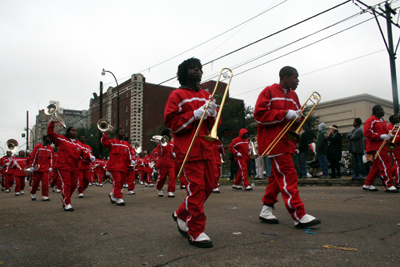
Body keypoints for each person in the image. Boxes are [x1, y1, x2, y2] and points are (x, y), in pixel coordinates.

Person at [254, 66, 321, 229]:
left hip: (286, 142)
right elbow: (259, 116)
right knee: (288, 175)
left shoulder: (294, 95)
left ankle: (266, 209)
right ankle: (299, 215)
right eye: (295, 77)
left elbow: (298, 118)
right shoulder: (268, 91)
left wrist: (298, 117)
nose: (298, 81)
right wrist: (284, 114)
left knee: (277, 179)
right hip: (274, 142)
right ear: (285, 78)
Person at [165, 57, 218, 248]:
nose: (196, 71)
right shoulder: (176, 95)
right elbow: (172, 123)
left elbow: (215, 125)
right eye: (191, 68)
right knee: (196, 190)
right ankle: (195, 231)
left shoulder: (207, 94)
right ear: (183, 73)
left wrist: (213, 114)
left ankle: (180, 213)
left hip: (207, 148)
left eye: (198, 68)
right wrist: (195, 115)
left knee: (209, 186)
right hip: (189, 149)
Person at [48, 121, 95, 211]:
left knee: (73, 185)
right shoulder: (62, 139)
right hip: (63, 166)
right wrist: (52, 123)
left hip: (74, 167)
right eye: (72, 130)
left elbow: (85, 153)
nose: (75, 132)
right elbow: (51, 134)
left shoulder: (79, 144)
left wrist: (90, 157)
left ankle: (66, 198)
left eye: (75, 131)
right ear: (68, 132)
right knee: (67, 184)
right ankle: (67, 202)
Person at [363, 105, 398, 193]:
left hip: (382, 146)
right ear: (376, 111)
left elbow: (386, 131)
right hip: (376, 147)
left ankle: (367, 184)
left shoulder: (383, 121)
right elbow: (367, 132)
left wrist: (389, 135)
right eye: (382, 110)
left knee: (376, 166)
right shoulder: (371, 120)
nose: (383, 111)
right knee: (386, 163)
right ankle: (388, 185)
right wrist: (380, 136)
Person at [101, 128, 135, 206]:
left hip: (123, 167)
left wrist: (131, 160)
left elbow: (129, 153)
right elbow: (105, 143)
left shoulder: (126, 144)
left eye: (123, 132)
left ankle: (113, 195)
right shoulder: (113, 142)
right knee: (118, 181)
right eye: (121, 132)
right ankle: (119, 198)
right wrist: (104, 133)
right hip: (114, 166)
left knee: (121, 182)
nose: (123, 133)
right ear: (117, 134)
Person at [27, 135, 54, 201]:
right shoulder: (38, 147)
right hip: (37, 168)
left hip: (46, 168)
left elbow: (51, 158)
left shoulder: (50, 148)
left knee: (45, 183)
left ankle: (45, 195)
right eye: (49, 138)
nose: (50, 139)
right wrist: (31, 166)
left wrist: (51, 167)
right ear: (45, 139)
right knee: (35, 182)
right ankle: (33, 192)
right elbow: (33, 156)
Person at [155, 129, 176, 197]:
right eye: (169, 133)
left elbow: (175, 151)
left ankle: (170, 191)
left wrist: (174, 154)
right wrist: (162, 146)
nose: (171, 135)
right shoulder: (160, 143)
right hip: (163, 163)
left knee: (172, 177)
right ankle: (159, 188)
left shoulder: (172, 143)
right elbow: (160, 153)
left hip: (171, 163)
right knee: (162, 178)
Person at [388, 114, 400, 189]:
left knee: (397, 167)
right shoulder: (390, 126)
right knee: (398, 166)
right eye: (395, 118)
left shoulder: (398, 126)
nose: (397, 119)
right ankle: (398, 183)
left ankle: (387, 175)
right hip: (396, 148)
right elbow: (392, 139)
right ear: (392, 120)